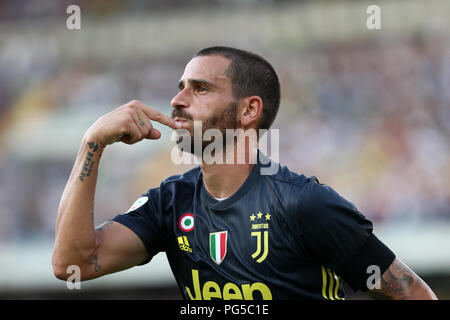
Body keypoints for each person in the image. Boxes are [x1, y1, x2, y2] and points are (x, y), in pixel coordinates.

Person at [52, 46, 437, 300]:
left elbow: (414, 295)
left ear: (249, 110)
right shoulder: (169, 204)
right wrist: (92, 144)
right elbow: (73, 263)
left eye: (200, 89)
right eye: (180, 87)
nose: (176, 100)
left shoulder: (304, 204)